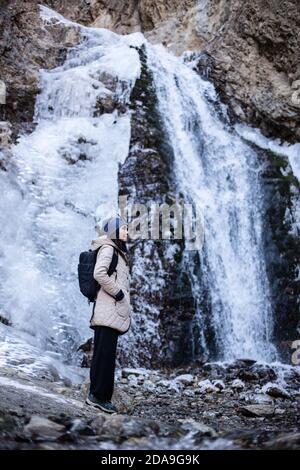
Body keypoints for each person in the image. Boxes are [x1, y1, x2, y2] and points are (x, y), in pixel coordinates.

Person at [86, 215, 131, 414]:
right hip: (108, 309)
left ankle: (96, 395)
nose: (127, 232)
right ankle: (98, 397)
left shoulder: (116, 250)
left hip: (110, 311)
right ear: (114, 231)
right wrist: (119, 293)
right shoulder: (108, 248)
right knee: (104, 356)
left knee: (103, 355)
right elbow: (99, 273)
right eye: (124, 229)